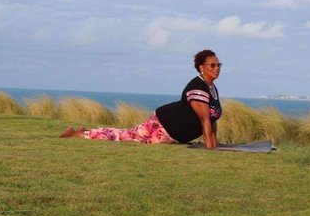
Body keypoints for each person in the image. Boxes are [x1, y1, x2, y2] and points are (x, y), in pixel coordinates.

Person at [61, 49, 222, 147]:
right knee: (125, 137)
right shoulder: (198, 87)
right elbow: (205, 120)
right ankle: (76, 134)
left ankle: (87, 132)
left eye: (218, 65)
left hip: (171, 129)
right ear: (201, 68)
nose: (216, 68)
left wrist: (214, 146)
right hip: (163, 125)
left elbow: (213, 120)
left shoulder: (211, 88)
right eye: (212, 65)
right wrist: (210, 149)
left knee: (127, 134)